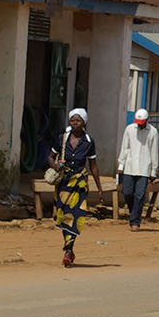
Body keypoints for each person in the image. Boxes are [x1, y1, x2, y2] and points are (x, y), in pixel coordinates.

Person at [48, 108, 101, 267]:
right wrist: (56, 165)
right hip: (64, 183)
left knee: (76, 214)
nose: (75, 123)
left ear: (84, 122)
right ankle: (69, 248)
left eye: (78, 121)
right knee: (62, 216)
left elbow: (93, 166)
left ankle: (68, 250)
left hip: (79, 183)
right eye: (72, 120)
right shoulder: (61, 139)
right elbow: (50, 157)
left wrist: (99, 187)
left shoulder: (89, 142)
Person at [115, 108, 159, 231]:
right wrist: (121, 165)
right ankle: (134, 212)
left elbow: (154, 151)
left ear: (147, 121)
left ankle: (135, 221)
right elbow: (125, 147)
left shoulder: (153, 132)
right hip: (130, 166)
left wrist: (153, 171)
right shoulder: (129, 129)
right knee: (127, 192)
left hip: (144, 168)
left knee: (140, 195)